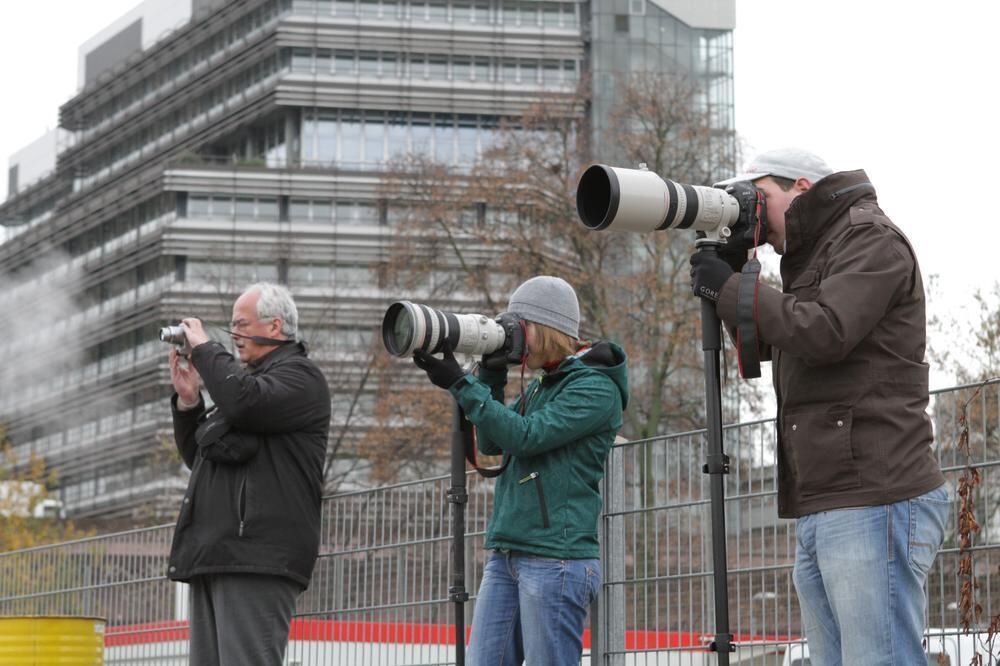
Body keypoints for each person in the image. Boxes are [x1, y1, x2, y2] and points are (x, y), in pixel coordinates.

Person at [690, 148, 950, 666]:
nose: (751, 209)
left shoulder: (869, 238)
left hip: (874, 494)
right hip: (829, 496)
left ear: (802, 188)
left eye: (759, 196)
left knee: (880, 659)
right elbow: (769, 343)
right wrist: (731, 278)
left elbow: (824, 330)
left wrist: (734, 288)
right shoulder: (813, 256)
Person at [411, 275, 629, 666]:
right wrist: (490, 375)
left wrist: (462, 384)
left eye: (518, 328)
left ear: (544, 329)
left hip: (556, 558)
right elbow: (494, 443)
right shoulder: (545, 383)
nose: (510, 337)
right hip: (509, 552)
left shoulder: (596, 389)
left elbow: (526, 436)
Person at [166, 282, 331, 665]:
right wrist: (189, 403)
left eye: (240, 324)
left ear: (275, 327)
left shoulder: (300, 379)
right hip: (218, 554)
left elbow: (243, 403)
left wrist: (206, 349)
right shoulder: (248, 389)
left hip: (258, 555)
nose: (234, 334)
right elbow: (202, 457)